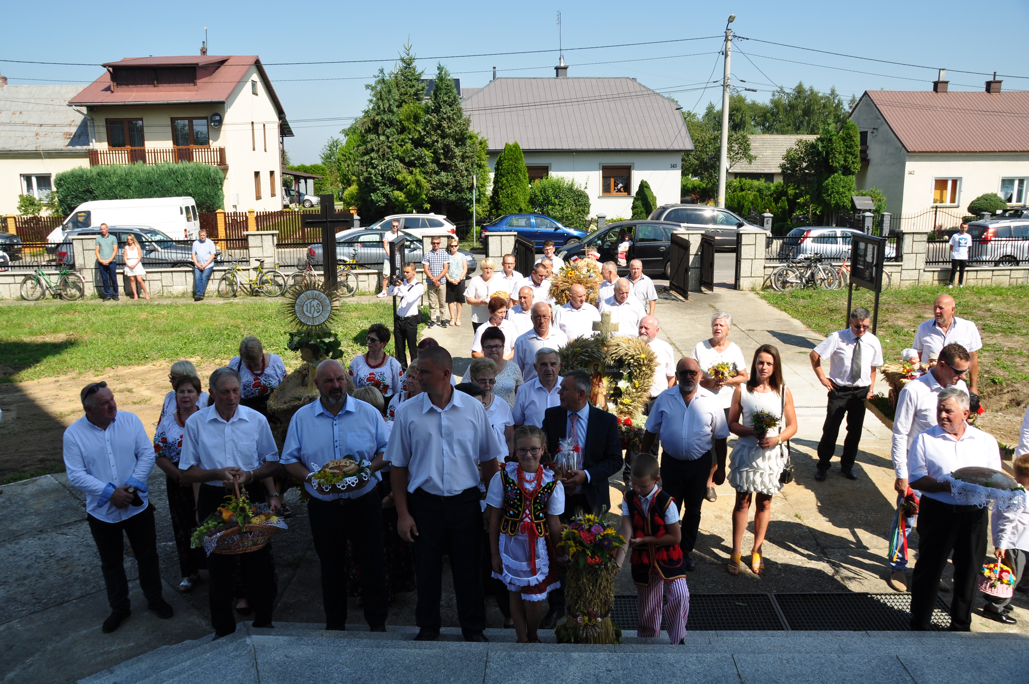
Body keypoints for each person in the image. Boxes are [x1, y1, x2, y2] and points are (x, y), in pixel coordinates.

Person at [386, 346, 505, 642]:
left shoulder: (473, 409)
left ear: (445, 374)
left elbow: (490, 461)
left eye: (424, 372)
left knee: (469, 569)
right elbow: (398, 466)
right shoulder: (407, 412)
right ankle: (428, 626)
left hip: (465, 503)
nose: (417, 377)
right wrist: (403, 514)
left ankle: (473, 628)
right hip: (424, 504)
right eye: (417, 371)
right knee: (426, 568)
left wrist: (492, 507)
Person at [281, 359, 390, 631]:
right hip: (324, 506)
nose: (336, 385)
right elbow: (289, 460)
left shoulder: (368, 413)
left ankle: (377, 625)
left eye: (340, 379)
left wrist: (367, 469)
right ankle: (335, 625)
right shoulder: (302, 418)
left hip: (363, 502)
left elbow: (387, 451)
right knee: (330, 566)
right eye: (328, 381)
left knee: (373, 563)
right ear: (317, 384)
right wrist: (311, 478)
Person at [179, 367, 282, 637]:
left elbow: (273, 464)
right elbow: (185, 473)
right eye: (224, 392)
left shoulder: (256, 420)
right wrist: (215, 473)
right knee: (218, 565)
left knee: (258, 560)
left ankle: (264, 620)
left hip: (250, 494)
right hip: (214, 498)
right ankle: (223, 628)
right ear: (211, 393)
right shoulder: (196, 423)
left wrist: (251, 475)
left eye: (236, 391)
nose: (232, 397)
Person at [64, 381, 172, 633]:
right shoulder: (73, 434)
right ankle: (120, 608)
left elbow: (146, 454)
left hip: (137, 506)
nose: (112, 405)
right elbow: (76, 474)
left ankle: (155, 599)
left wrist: (130, 489)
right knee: (111, 563)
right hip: (102, 513)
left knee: (147, 556)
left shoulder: (130, 420)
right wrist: (110, 493)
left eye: (112, 399)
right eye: (104, 403)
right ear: (89, 409)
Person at [907, 387, 1002, 631]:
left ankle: (960, 626)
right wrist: (948, 486)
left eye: (948, 411)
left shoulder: (985, 441)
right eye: (940, 409)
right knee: (929, 568)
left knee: (968, 571)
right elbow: (916, 479)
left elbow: (996, 479)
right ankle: (919, 623)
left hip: (974, 515)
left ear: (966, 413)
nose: (942, 415)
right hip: (938, 512)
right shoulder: (925, 439)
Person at [540, 369, 622, 628]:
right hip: (558, 498)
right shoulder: (552, 416)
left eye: (564, 388)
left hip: (590, 498)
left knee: (591, 554)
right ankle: (557, 607)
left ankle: (590, 607)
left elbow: (615, 460)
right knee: (557, 552)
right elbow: (543, 453)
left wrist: (585, 475)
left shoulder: (605, 421)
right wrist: (552, 469)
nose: (559, 392)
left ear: (581, 394)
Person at [887, 343, 970, 592]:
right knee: (907, 519)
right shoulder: (915, 390)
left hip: (947, 471)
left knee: (939, 526)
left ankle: (929, 570)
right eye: (958, 371)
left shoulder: (960, 388)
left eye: (964, 372)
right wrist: (902, 474)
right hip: (918, 471)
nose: (962, 377)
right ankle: (898, 567)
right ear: (942, 365)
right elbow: (900, 433)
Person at [640, 358, 729, 572]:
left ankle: (685, 551)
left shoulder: (711, 400)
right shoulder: (665, 398)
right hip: (671, 464)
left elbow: (720, 438)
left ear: (700, 375)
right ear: (677, 375)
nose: (688, 376)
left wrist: (721, 468)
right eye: (683, 373)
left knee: (693, 510)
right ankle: (668, 548)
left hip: (700, 465)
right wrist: (642, 459)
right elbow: (651, 430)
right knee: (669, 507)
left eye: (692, 372)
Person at [487, 425, 564, 643]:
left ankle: (533, 635)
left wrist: (561, 553)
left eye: (533, 449)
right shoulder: (503, 477)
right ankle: (522, 639)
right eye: (522, 450)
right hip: (510, 543)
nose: (528, 454)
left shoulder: (551, 481)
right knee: (514, 593)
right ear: (514, 450)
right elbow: (494, 519)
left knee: (534, 597)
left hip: (538, 546)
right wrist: (494, 554)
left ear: (543, 449)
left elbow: (554, 522)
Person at [726, 345, 797, 576]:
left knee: (764, 503)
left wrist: (777, 439)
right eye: (760, 362)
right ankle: (736, 551)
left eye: (768, 363)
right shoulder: (742, 390)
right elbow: (731, 423)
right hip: (747, 452)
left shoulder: (783, 391)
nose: (763, 367)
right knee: (742, 501)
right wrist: (750, 431)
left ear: (775, 366)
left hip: (770, 456)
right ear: (754, 363)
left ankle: (757, 549)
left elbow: (792, 426)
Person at [615, 454, 690, 645]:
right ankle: (648, 641)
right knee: (648, 605)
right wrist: (618, 563)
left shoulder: (666, 502)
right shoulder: (629, 498)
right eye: (634, 484)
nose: (637, 489)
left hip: (668, 557)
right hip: (643, 560)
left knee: (680, 595)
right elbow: (625, 530)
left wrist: (644, 540)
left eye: (643, 486)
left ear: (656, 480)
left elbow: (675, 537)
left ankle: (677, 637)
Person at [810, 307, 883, 482]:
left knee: (855, 431)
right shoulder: (837, 338)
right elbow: (814, 355)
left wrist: (871, 389)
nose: (861, 330)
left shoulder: (873, 341)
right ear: (850, 322)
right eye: (857, 326)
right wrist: (823, 378)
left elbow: (873, 367)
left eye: (865, 326)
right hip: (839, 390)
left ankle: (847, 465)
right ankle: (823, 465)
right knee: (831, 429)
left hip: (861, 392)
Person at [152, 374, 207, 593]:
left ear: (199, 395)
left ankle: (217, 567)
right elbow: (159, 453)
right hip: (178, 483)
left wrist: (197, 476)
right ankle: (190, 572)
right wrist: (179, 476)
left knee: (210, 522)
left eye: (190, 391)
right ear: (175, 396)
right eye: (181, 391)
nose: (185, 395)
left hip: (206, 480)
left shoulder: (207, 419)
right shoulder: (167, 422)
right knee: (183, 527)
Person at [691, 312, 749, 502]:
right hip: (702, 402)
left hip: (724, 404)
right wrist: (707, 382)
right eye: (715, 324)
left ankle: (710, 483)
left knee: (719, 443)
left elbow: (744, 376)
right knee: (701, 440)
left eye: (721, 325)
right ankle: (698, 478)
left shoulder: (734, 350)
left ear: (729, 329)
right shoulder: (701, 347)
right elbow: (691, 373)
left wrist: (727, 380)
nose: (717, 328)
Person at [981, 453, 1029, 624]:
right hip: (1015, 543)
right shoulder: (1019, 495)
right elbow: (1007, 521)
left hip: (1019, 542)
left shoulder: (1018, 491)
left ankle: (998, 598)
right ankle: (995, 607)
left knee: (1012, 573)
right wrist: (1001, 544)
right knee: (1011, 576)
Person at [912, 294, 982, 396]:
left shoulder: (968, 327)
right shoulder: (924, 328)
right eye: (935, 308)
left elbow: (973, 358)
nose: (937, 311)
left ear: (952, 310)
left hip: (957, 382)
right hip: (930, 383)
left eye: (941, 308)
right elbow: (917, 355)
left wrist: (973, 387)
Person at [463, 327, 523, 408]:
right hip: (481, 413)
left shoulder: (514, 367)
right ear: (483, 348)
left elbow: (521, 395)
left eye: (497, 346)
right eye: (489, 347)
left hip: (508, 414)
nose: (493, 349)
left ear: (503, 347)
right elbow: (463, 393)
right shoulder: (474, 367)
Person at [230, 336, 287, 417]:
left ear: (261, 352)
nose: (253, 366)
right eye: (248, 364)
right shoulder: (236, 365)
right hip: (246, 414)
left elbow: (286, 385)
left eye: (256, 364)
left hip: (274, 413)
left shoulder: (275, 363)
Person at [469, 357, 515, 456]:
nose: (487, 385)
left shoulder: (502, 405)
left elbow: (509, 438)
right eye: (482, 381)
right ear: (472, 379)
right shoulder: (465, 404)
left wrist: (511, 460)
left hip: (501, 462)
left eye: (491, 381)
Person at [513, 302, 568, 382]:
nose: (542, 321)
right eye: (538, 317)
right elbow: (516, 373)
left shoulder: (560, 337)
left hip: (557, 388)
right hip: (531, 388)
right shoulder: (522, 341)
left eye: (545, 316)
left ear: (550, 317)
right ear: (532, 318)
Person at [349, 323, 404, 401]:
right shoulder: (357, 362)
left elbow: (399, 392)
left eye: (373, 340)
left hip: (386, 406)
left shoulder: (393, 364)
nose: (369, 342)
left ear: (383, 343)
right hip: (362, 405)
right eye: (368, 338)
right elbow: (351, 389)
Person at [512, 348, 562, 429]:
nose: (549, 369)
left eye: (553, 364)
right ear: (535, 367)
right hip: (533, 437)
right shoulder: (524, 391)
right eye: (544, 364)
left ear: (559, 366)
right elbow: (517, 423)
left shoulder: (569, 388)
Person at [390, 263, 424, 369]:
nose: (405, 274)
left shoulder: (419, 286)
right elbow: (390, 293)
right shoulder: (403, 282)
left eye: (407, 272)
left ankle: (415, 370)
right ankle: (403, 371)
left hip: (410, 320)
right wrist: (394, 284)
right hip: (399, 319)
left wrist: (401, 286)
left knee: (412, 348)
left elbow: (409, 299)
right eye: (404, 272)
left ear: (414, 272)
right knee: (399, 349)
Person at [465, 258, 506, 332]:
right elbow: (468, 299)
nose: (488, 270)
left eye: (490, 268)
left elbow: (503, 297)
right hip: (479, 318)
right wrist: (480, 301)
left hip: (495, 318)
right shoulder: (475, 280)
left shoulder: (498, 281)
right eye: (486, 268)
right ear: (482, 268)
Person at [422, 236, 449, 328]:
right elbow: (426, 269)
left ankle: (443, 319)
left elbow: (445, 269)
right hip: (431, 282)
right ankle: (432, 320)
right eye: (434, 243)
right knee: (432, 302)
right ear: (431, 243)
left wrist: (437, 279)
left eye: (437, 243)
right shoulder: (427, 254)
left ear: (440, 243)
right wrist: (433, 279)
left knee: (442, 302)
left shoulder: (444, 254)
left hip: (442, 282)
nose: (435, 245)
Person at [445, 238, 468, 326]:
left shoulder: (462, 256)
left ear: (458, 246)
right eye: (452, 246)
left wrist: (460, 278)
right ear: (449, 247)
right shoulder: (446, 256)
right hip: (450, 280)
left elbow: (465, 268)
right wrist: (450, 279)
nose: (454, 247)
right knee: (450, 300)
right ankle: (452, 318)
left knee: (459, 300)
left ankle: (458, 318)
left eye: (455, 245)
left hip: (460, 280)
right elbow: (445, 270)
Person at [94, 223, 119, 302]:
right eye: (101, 229)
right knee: (105, 279)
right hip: (102, 262)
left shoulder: (113, 238)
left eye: (104, 229)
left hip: (112, 262)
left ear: (107, 228)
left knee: (113, 279)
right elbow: (97, 251)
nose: (103, 230)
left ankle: (115, 294)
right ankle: (107, 294)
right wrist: (100, 260)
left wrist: (110, 259)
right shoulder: (98, 239)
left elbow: (115, 250)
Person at [191, 228, 217, 302]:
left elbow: (212, 255)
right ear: (199, 236)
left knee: (204, 277)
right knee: (197, 278)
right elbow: (193, 255)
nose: (202, 237)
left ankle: (199, 294)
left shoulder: (210, 243)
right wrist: (197, 264)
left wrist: (205, 265)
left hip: (208, 265)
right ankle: (198, 294)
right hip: (198, 265)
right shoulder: (195, 243)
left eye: (203, 235)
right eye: (201, 235)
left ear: (206, 235)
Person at [378, 219, 402, 298]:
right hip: (388, 257)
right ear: (391, 226)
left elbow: (401, 245)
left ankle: (398, 290)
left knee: (397, 274)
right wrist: (389, 254)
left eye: (396, 226)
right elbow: (385, 245)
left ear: (398, 226)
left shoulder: (400, 234)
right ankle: (384, 291)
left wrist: (396, 252)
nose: (395, 227)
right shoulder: (387, 234)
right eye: (393, 226)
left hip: (397, 257)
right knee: (386, 274)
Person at [123, 234, 150, 302]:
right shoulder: (126, 247)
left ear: (133, 239)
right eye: (128, 239)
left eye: (130, 239)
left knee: (139, 279)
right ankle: (135, 294)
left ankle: (146, 293)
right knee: (132, 279)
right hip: (129, 263)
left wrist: (135, 264)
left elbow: (139, 256)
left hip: (136, 263)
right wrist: (128, 264)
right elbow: (125, 257)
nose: (129, 240)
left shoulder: (137, 246)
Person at [948, 223, 972, 288]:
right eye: (963, 227)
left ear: (967, 228)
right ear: (960, 227)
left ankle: (960, 284)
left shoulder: (968, 236)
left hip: (964, 257)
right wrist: (955, 252)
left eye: (965, 228)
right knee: (954, 270)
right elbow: (951, 246)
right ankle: (950, 284)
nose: (964, 229)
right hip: (956, 256)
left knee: (962, 271)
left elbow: (968, 246)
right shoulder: (955, 236)